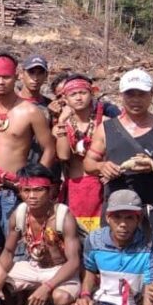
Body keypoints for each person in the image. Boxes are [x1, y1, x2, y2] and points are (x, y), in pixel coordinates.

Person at [55, 190, 153, 305]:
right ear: (108, 218)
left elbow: (152, 286)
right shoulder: (95, 239)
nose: (123, 224)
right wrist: (84, 295)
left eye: (129, 218)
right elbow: (90, 270)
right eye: (117, 218)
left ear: (139, 219)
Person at [85, 69, 153, 242]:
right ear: (121, 96)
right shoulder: (106, 128)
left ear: (152, 95)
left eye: (142, 94)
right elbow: (88, 163)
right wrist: (102, 166)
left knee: (151, 262)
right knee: (113, 261)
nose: (136, 100)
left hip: (150, 208)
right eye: (130, 94)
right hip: (115, 210)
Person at [0, 52, 56, 247]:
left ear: (16, 77)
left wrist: (34, 184)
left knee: (18, 246)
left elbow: (49, 148)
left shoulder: (30, 111)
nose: (1, 82)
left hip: (15, 189)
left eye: (6, 77)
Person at [0, 164, 82, 305]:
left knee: (61, 297)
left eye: (38, 190)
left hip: (60, 269)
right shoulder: (19, 214)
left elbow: (73, 262)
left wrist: (47, 287)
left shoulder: (63, 216)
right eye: (26, 190)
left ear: (50, 190)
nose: (32, 196)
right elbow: (8, 251)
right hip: (33, 266)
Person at [53, 73, 110, 233]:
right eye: (73, 94)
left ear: (91, 94)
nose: (78, 98)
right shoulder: (61, 126)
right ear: (65, 98)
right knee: (77, 237)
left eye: (83, 93)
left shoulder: (105, 123)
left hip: (101, 187)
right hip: (76, 186)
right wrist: (62, 123)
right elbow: (63, 155)